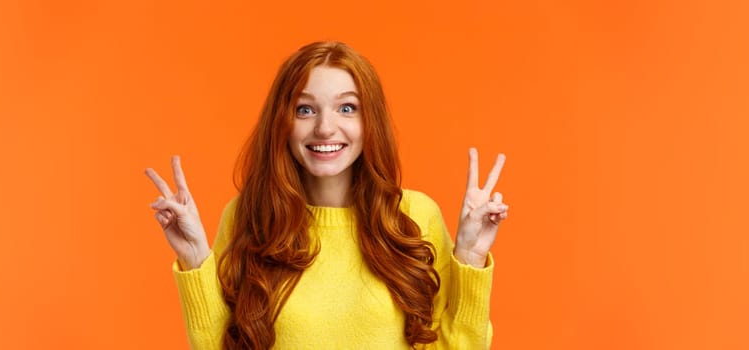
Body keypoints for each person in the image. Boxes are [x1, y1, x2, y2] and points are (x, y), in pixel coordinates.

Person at [144, 41, 509, 349]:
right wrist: (194, 257)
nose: (324, 127)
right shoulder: (249, 216)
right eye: (305, 109)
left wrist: (471, 258)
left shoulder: (414, 215)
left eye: (347, 108)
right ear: (282, 123)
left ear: (370, 122)